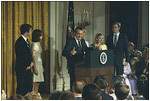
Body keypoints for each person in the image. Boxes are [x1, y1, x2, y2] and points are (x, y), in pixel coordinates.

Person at [62, 26, 88, 91]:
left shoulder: (83, 41)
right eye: (78, 34)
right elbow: (64, 53)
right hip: (73, 65)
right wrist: (70, 53)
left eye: (81, 34)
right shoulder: (70, 41)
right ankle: (72, 95)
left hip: (81, 65)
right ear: (75, 34)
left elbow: (87, 50)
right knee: (73, 81)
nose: (80, 36)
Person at [15, 24, 33, 96]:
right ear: (26, 32)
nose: (31, 32)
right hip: (22, 68)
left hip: (28, 68)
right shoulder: (19, 42)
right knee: (21, 88)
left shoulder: (27, 41)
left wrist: (31, 63)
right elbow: (20, 56)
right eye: (30, 30)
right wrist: (26, 65)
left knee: (28, 88)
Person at [31, 29, 45, 93]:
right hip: (36, 63)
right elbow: (33, 56)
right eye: (40, 35)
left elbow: (39, 55)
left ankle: (36, 95)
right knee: (34, 82)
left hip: (39, 63)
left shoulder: (39, 43)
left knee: (38, 82)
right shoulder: (34, 44)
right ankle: (33, 95)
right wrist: (35, 67)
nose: (42, 37)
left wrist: (42, 67)